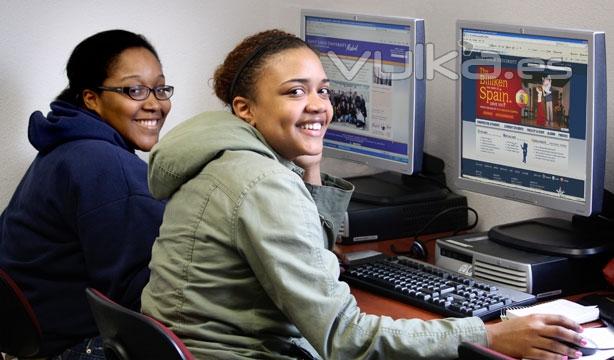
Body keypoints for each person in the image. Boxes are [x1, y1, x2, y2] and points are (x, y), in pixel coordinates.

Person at [141, 29, 586, 360]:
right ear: (245, 109)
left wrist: (309, 161)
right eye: (295, 92)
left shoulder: (224, 157)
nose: (318, 104)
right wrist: (488, 334)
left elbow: (314, 256)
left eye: (323, 90)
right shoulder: (260, 183)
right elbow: (345, 340)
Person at [0, 29, 171, 359]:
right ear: (91, 98)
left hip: (32, 344)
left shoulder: (65, 148)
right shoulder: (105, 164)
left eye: (160, 88)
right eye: (134, 90)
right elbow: (149, 298)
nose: (154, 103)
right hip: (75, 347)